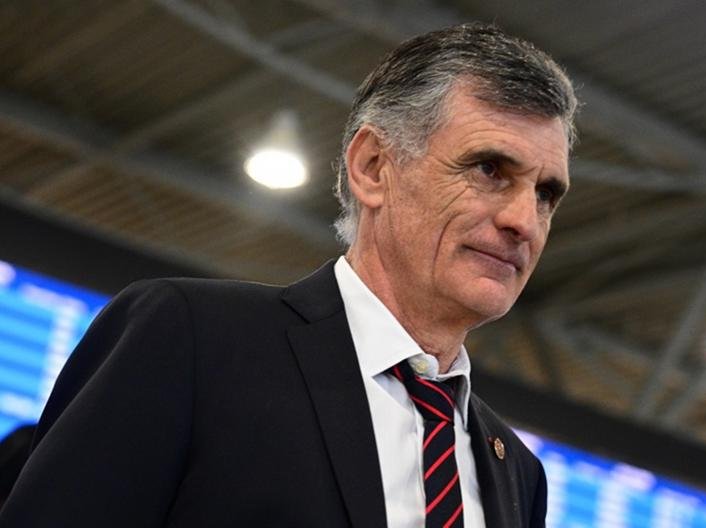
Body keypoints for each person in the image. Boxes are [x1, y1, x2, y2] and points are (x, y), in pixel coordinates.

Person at [0, 22, 577, 528]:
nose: (523, 221)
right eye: (489, 169)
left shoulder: (517, 473)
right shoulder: (191, 339)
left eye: (546, 194)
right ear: (373, 167)